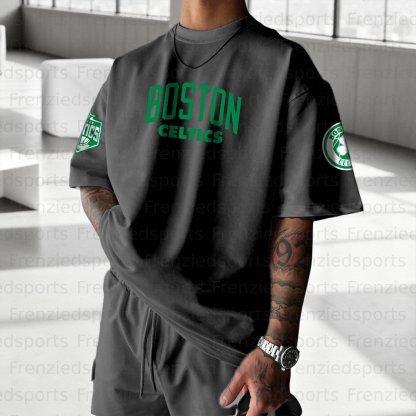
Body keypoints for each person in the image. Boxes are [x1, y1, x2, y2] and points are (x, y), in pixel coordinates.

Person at [69, 1, 363, 415]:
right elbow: (92, 175)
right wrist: (118, 238)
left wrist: (278, 348)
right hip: (126, 324)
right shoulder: (128, 70)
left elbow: (294, 220)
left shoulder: (286, 72)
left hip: (221, 342)